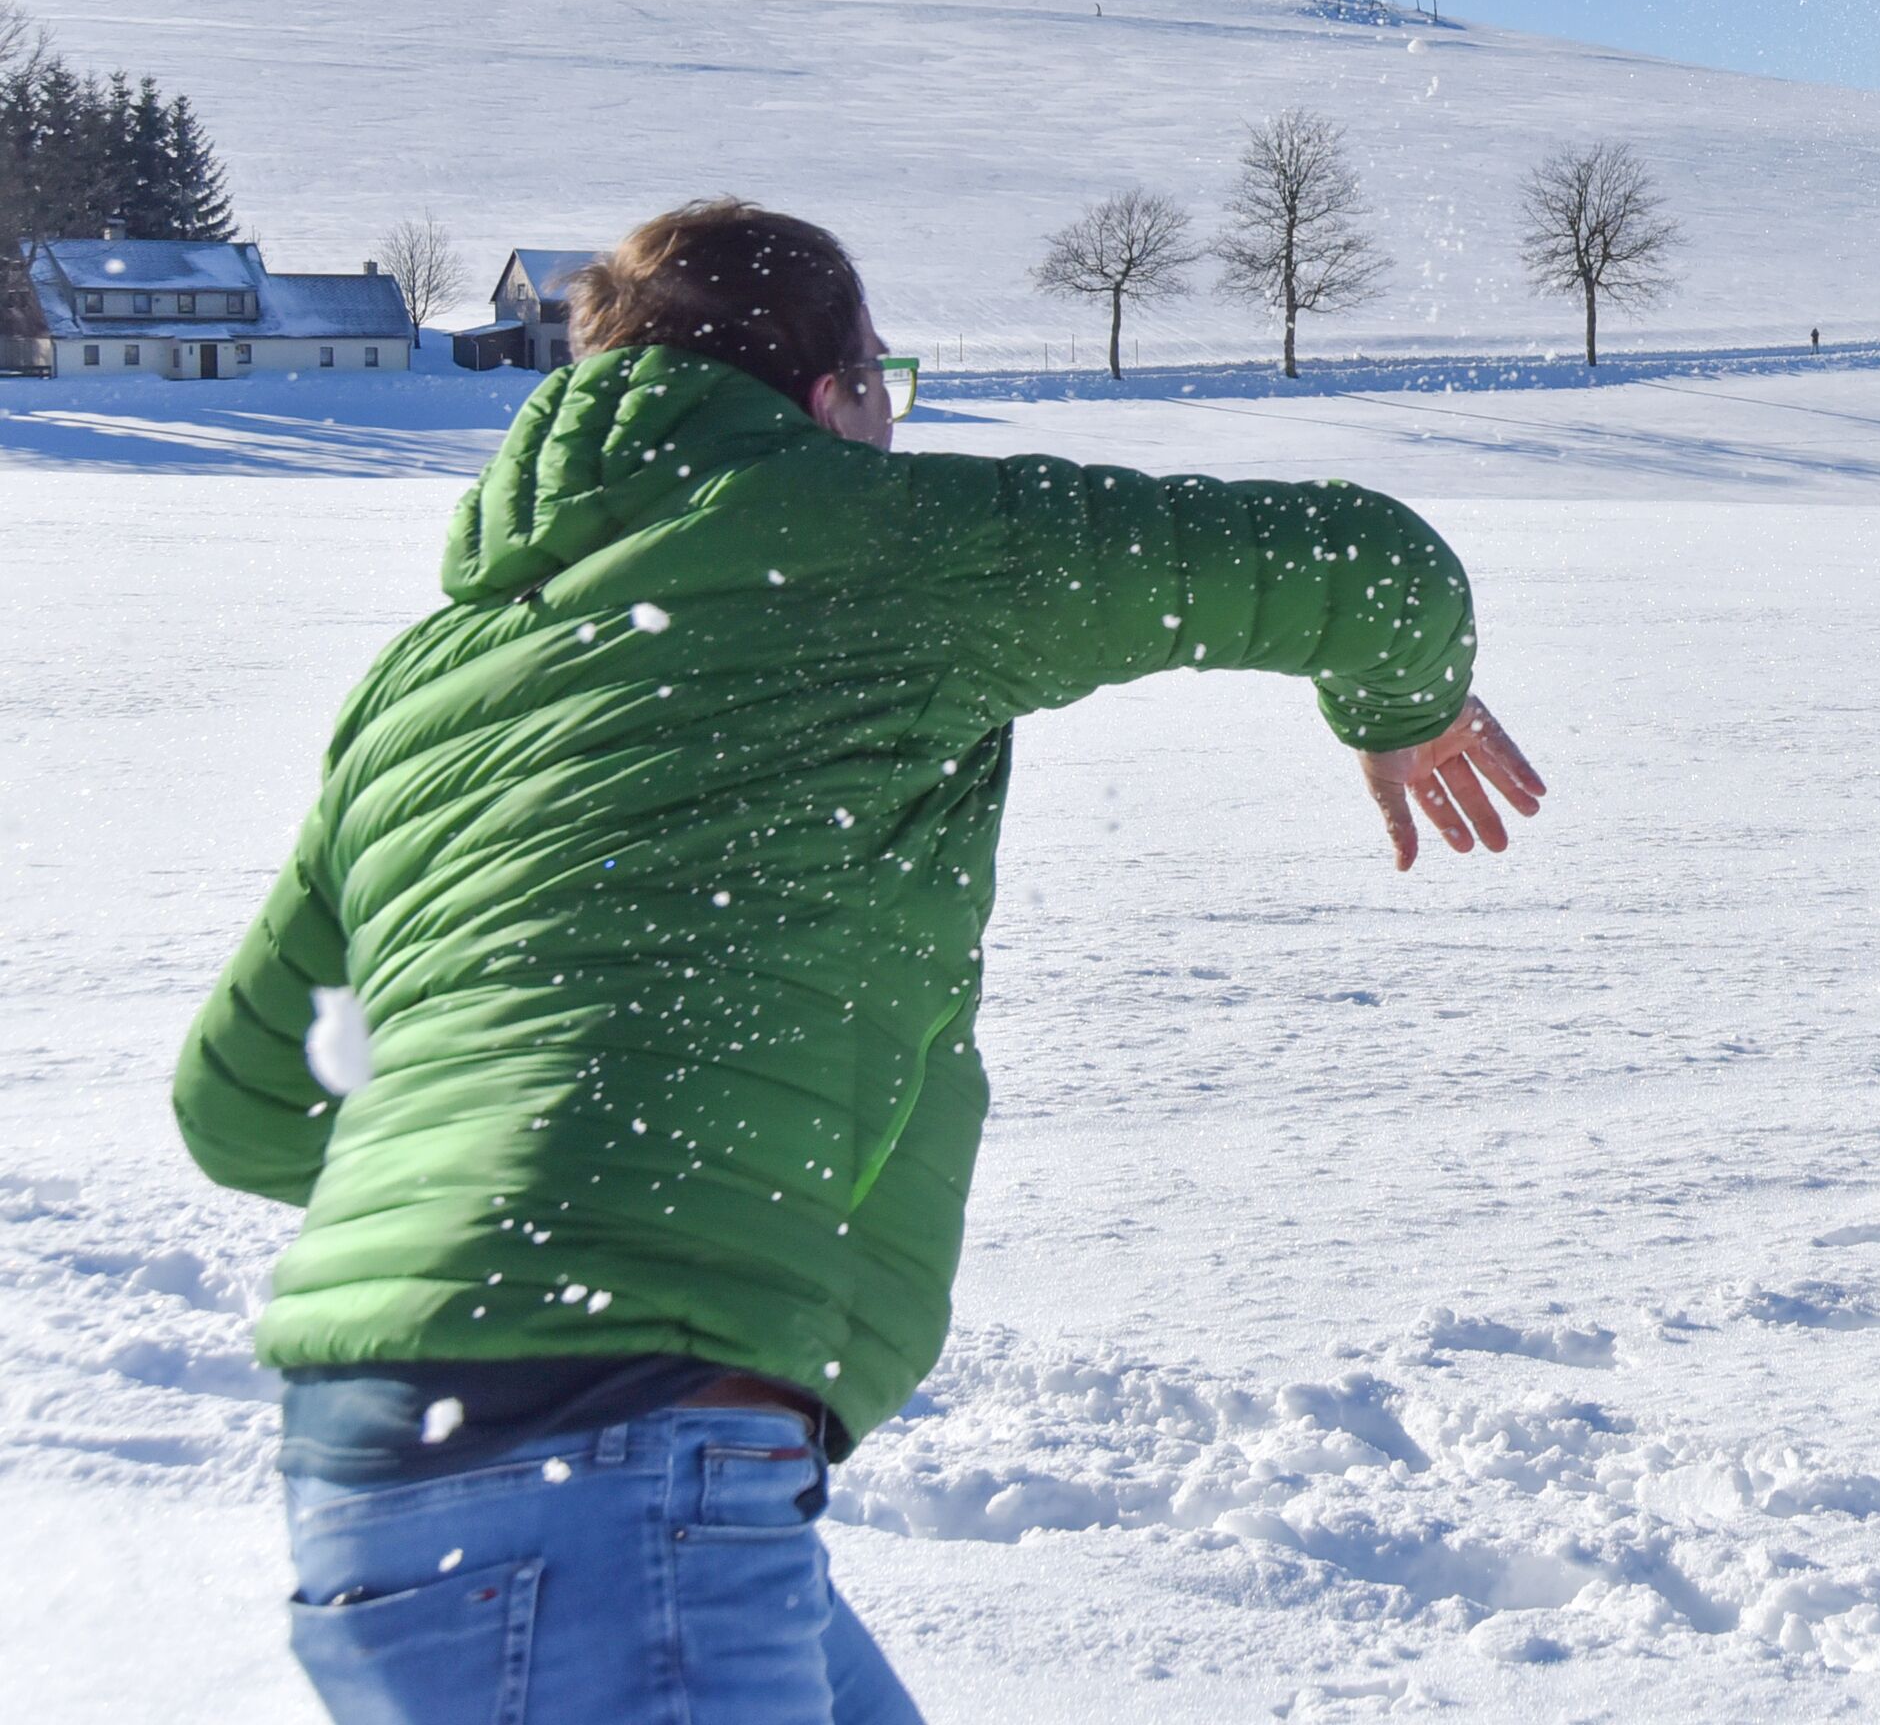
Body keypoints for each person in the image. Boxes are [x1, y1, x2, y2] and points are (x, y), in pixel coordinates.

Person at [172, 199, 1544, 1722]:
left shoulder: (425, 680)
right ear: (837, 395)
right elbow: (1364, 562)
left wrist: (470, 1161)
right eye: (885, 375)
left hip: (381, 1468)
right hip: (619, 1463)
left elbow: (241, 1101)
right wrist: (1406, 710)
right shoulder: (880, 546)